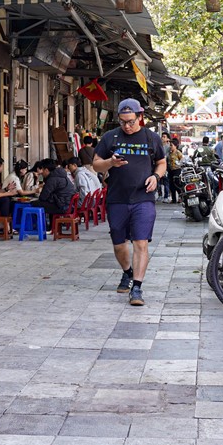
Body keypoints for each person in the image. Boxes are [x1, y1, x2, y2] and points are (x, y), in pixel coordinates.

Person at [92, 99, 166, 306]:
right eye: (123, 122)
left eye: (131, 121)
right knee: (119, 244)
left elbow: (161, 162)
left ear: (140, 117)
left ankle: (137, 287)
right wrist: (110, 163)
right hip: (117, 199)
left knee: (141, 243)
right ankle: (127, 272)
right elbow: (96, 165)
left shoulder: (151, 138)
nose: (127, 126)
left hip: (143, 198)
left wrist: (156, 177)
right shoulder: (110, 137)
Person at [167, 138, 184, 203]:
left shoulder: (178, 152)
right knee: (171, 185)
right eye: (170, 145)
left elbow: (182, 159)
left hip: (177, 170)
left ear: (175, 146)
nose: (170, 147)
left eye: (171, 145)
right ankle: (173, 199)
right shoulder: (170, 153)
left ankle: (181, 197)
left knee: (177, 184)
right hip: (170, 170)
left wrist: (179, 164)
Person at [159, 133, 172, 203]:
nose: (162, 138)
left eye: (164, 137)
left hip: (166, 166)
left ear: (167, 139)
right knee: (159, 182)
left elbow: (167, 157)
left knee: (166, 181)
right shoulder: (159, 146)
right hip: (158, 166)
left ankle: (166, 196)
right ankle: (160, 195)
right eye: (162, 136)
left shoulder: (169, 147)